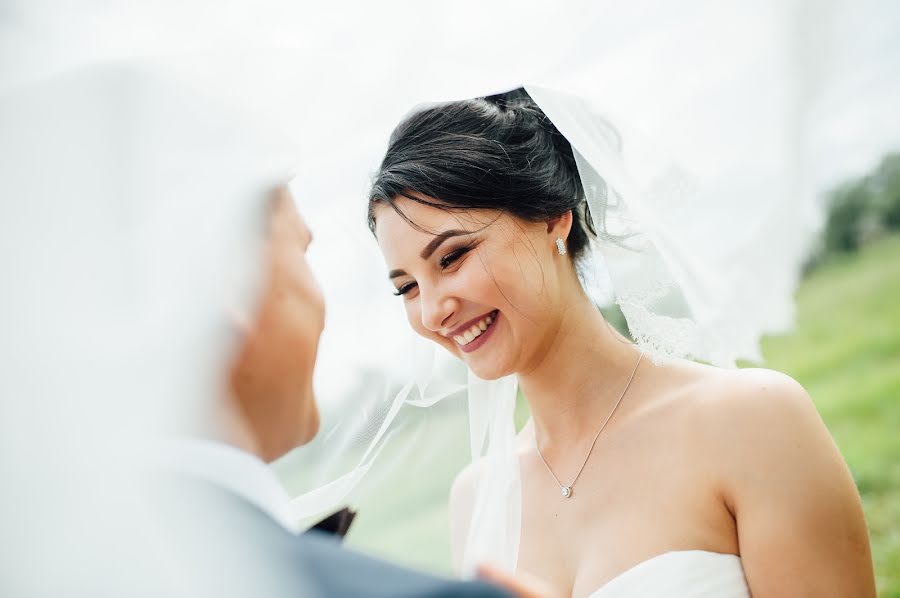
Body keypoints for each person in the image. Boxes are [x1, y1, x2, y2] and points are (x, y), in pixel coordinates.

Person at [366, 88, 877, 597]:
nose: (433, 311)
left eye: (452, 257)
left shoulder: (752, 420)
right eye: (407, 287)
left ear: (551, 216)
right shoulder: (477, 502)